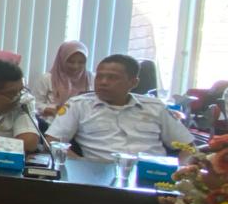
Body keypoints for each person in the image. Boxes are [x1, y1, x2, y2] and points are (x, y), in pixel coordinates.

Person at [46, 54, 193, 162]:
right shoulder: (78, 105)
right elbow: (52, 141)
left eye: (112, 78)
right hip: (100, 175)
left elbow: (189, 148)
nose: (103, 82)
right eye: (99, 77)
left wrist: (179, 172)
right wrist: (82, 165)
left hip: (151, 174)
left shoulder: (155, 107)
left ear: (133, 82)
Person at [34, 41, 92, 119]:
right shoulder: (47, 78)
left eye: (81, 62)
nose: (75, 66)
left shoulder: (91, 78)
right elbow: (34, 103)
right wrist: (50, 110)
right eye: (71, 62)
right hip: (51, 122)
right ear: (62, 59)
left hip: (82, 122)